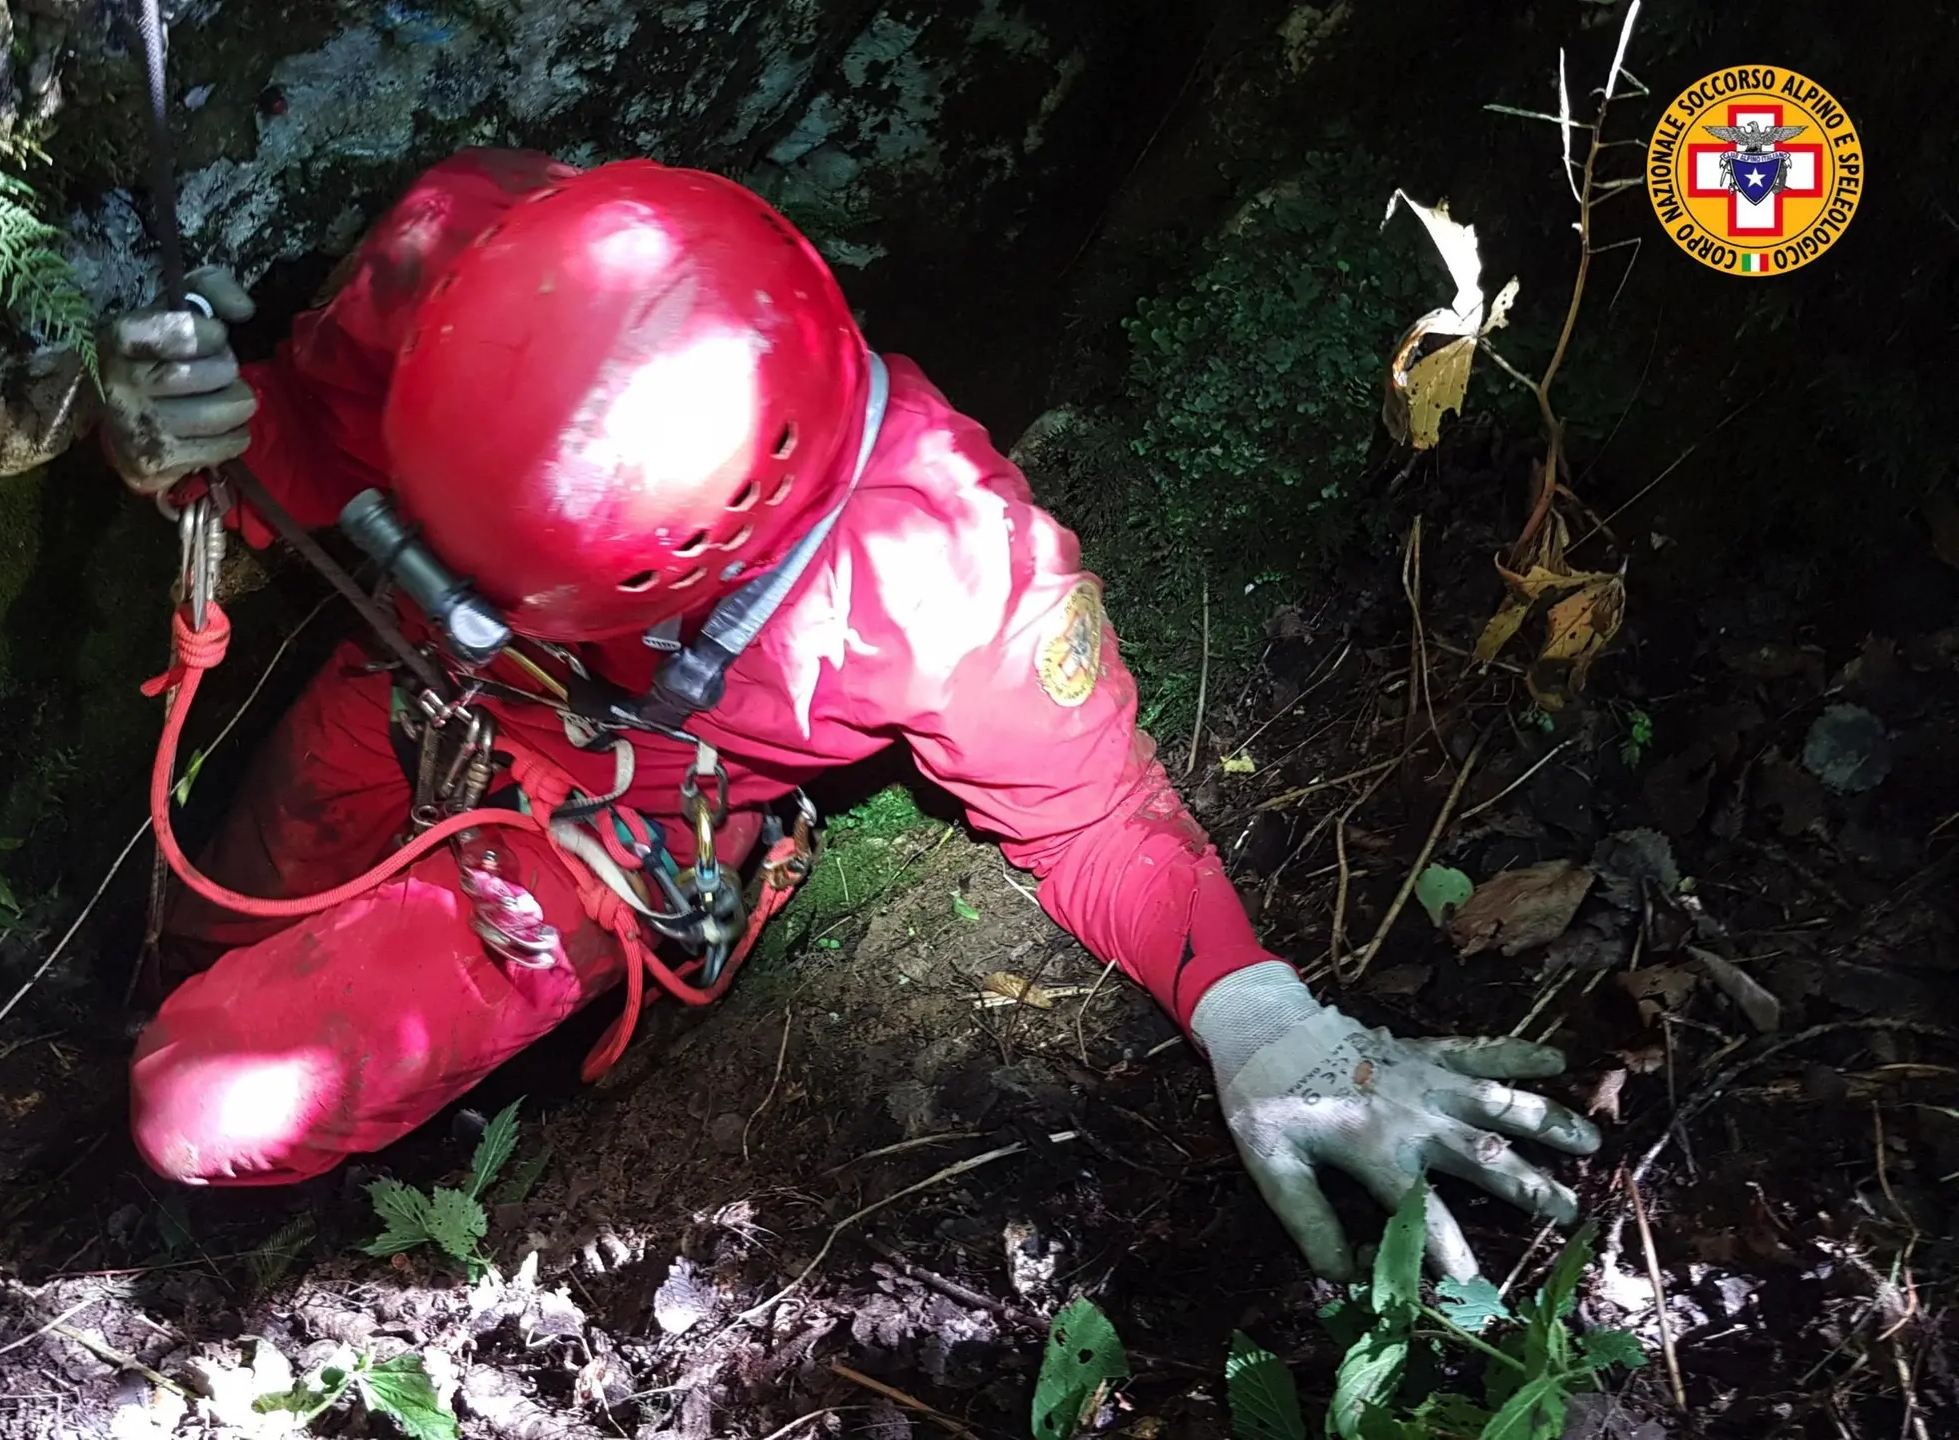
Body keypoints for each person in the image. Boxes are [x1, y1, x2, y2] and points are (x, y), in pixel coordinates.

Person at [98, 148, 1601, 1282]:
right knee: (194, 932)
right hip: (423, 663)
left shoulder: (938, 583)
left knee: (203, 1104)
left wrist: (1266, 1023)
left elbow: (1096, 821)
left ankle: (245, 1233)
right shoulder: (471, 252)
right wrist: (192, 434)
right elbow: (312, 452)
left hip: (624, 816)